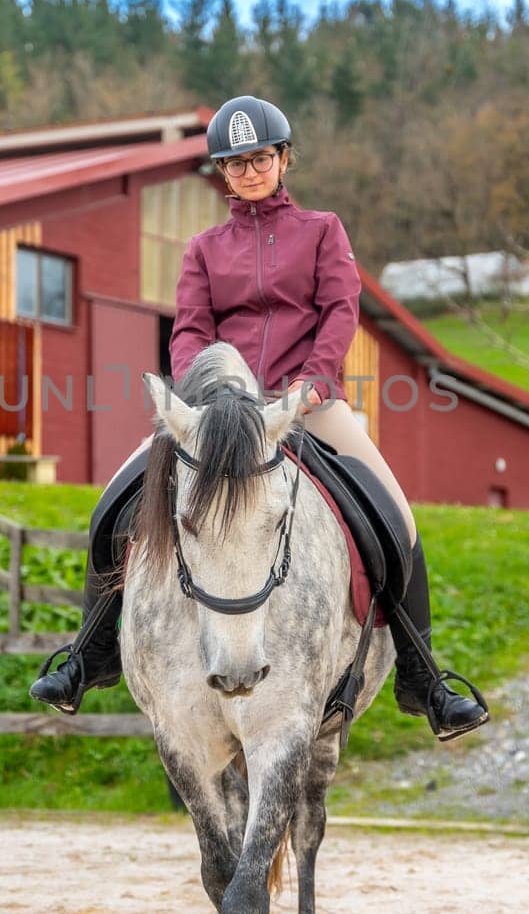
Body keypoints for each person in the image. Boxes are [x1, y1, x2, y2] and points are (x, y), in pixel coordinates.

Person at [29, 94, 490, 742]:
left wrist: (313, 383)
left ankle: (424, 679)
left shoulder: (323, 229)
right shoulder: (203, 248)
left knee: (396, 514)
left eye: (259, 158)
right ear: (220, 171)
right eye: (234, 162)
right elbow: (189, 329)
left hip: (307, 403)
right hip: (221, 413)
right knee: (116, 501)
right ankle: (89, 654)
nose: (248, 171)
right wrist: (205, 392)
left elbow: (340, 312)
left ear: (283, 159)